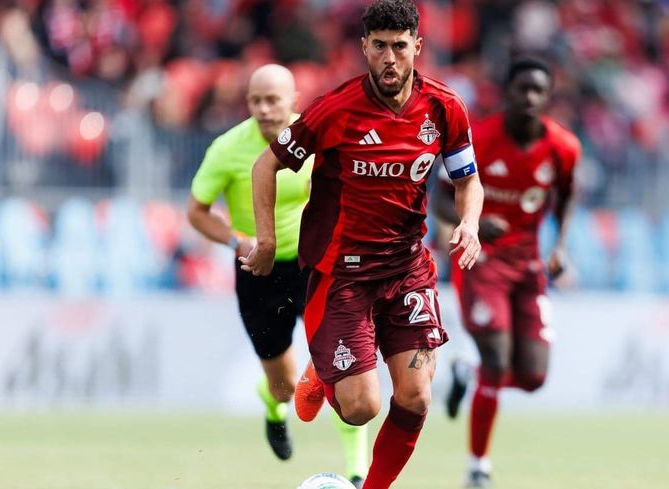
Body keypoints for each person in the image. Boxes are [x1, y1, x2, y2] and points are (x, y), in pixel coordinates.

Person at [239, 1, 484, 487]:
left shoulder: (444, 108)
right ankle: (321, 369)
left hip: (407, 269)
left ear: (417, 46)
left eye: (400, 46)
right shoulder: (335, 109)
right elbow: (266, 165)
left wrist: (470, 223)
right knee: (360, 408)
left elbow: (467, 180)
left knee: (416, 396)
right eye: (379, 46)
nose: (390, 58)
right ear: (364, 48)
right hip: (343, 275)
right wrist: (266, 241)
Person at [185, 64, 370, 485]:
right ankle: (273, 406)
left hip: (314, 267)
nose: (264, 109)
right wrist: (235, 240)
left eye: (273, 100)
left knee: (342, 368)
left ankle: (357, 472)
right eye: (256, 100)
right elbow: (196, 212)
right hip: (258, 271)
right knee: (286, 386)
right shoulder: (228, 149)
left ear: (293, 102)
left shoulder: (314, 138)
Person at [432, 56, 580, 489]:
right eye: (522, 89)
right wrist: (471, 223)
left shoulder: (563, 147)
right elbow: (439, 198)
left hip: (528, 266)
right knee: (497, 360)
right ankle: (478, 466)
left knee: (533, 377)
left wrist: (560, 246)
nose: (530, 97)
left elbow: (567, 194)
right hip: (480, 260)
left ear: (548, 96)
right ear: (508, 92)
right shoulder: (478, 139)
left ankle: (469, 374)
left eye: (538, 90)